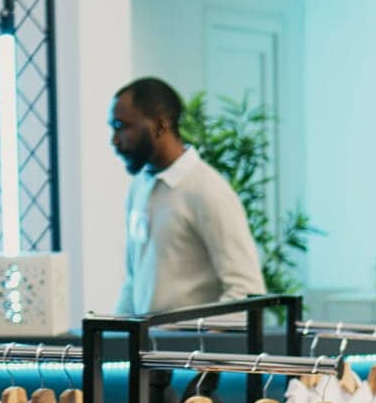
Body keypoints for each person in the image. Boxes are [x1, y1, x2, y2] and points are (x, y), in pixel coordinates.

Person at [111, 77, 265, 315]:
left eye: (122, 127)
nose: (115, 140)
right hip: (146, 349)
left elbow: (246, 291)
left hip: (187, 350)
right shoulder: (139, 187)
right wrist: (112, 340)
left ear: (161, 126)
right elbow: (134, 283)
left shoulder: (208, 190)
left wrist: (197, 342)